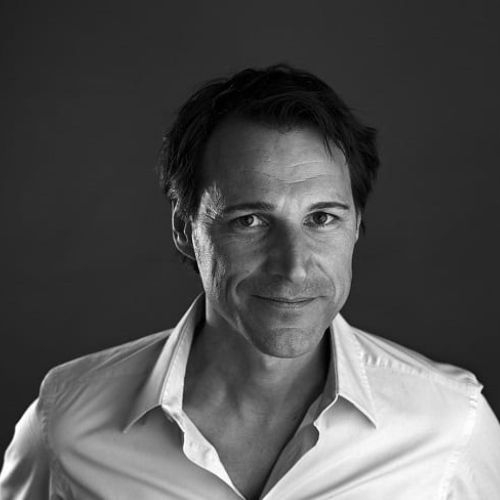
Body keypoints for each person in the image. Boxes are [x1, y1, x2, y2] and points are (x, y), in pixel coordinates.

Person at [1, 64, 499, 500]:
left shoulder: (453, 424)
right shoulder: (66, 424)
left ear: (356, 226)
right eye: (250, 220)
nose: (294, 266)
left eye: (322, 218)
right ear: (184, 229)